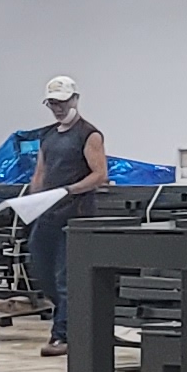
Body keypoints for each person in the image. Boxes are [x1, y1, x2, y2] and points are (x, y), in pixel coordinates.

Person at [24, 78, 110, 356]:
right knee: (40, 267)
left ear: (75, 99)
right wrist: (33, 201)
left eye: (62, 102)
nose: (58, 108)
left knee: (65, 276)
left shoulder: (89, 135)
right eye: (53, 103)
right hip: (48, 213)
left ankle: (61, 336)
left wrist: (69, 190)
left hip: (75, 215)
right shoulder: (48, 136)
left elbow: (100, 175)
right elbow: (40, 173)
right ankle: (69, 319)